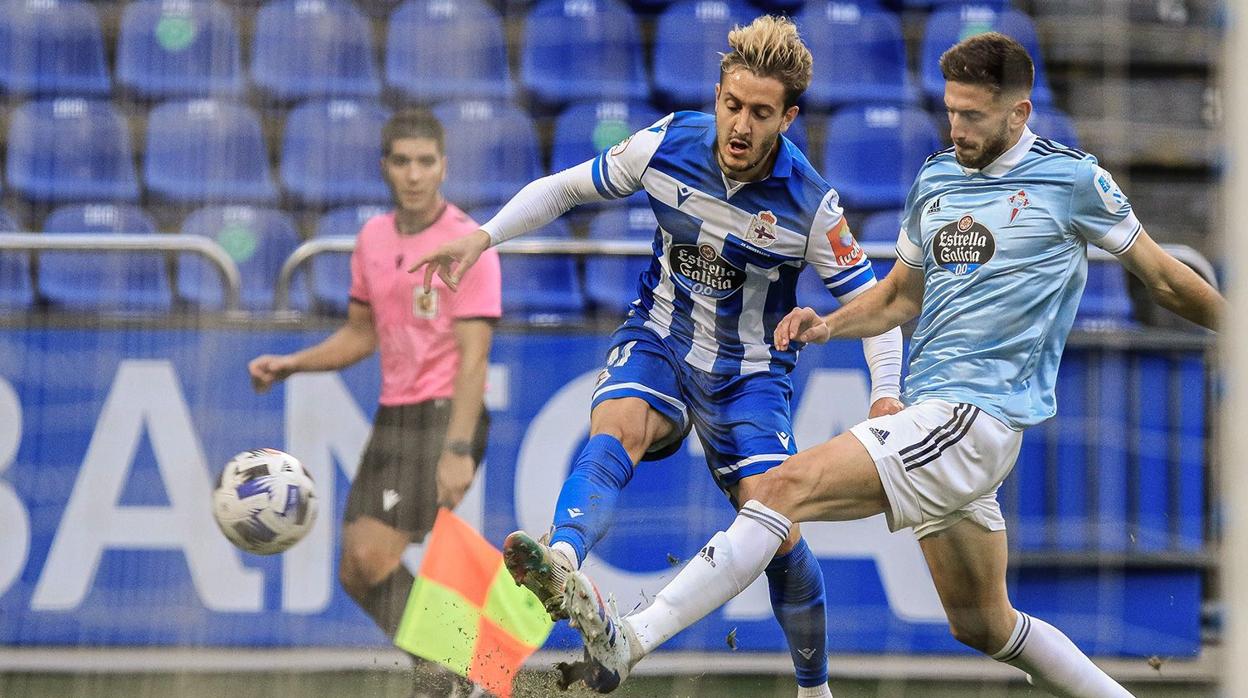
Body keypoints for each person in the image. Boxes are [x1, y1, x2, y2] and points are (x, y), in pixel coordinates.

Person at [559, 31, 1226, 697]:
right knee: (985, 625)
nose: (955, 126)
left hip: (975, 415)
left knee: (779, 491)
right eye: (950, 110)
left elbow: (1166, 280)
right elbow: (897, 299)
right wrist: (829, 324)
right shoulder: (937, 179)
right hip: (936, 411)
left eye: (972, 115)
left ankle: (635, 637)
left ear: (1019, 114)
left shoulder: (1072, 180)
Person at [412, 16, 903, 698]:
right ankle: (562, 564)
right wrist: (483, 237)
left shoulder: (811, 206)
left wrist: (885, 393)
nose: (740, 125)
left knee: (778, 529)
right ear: (717, 94)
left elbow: (878, 307)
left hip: (749, 378)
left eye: (761, 113)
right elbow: (565, 188)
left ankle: (813, 690)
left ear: (787, 118)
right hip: (662, 340)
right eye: (732, 104)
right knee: (619, 423)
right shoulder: (668, 143)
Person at [248, 109, 501, 698]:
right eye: (402, 161)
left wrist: (459, 449)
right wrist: (292, 365)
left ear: (444, 166)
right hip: (395, 416)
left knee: (372, 553)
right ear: (385, 167)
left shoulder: (468, 245)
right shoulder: (373, 239)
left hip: (446, 416)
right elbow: (362, 333)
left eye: (426, 161)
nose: (414, 174)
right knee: (355, 571)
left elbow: (475, 360)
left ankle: (456, 666)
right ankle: (459, 663)